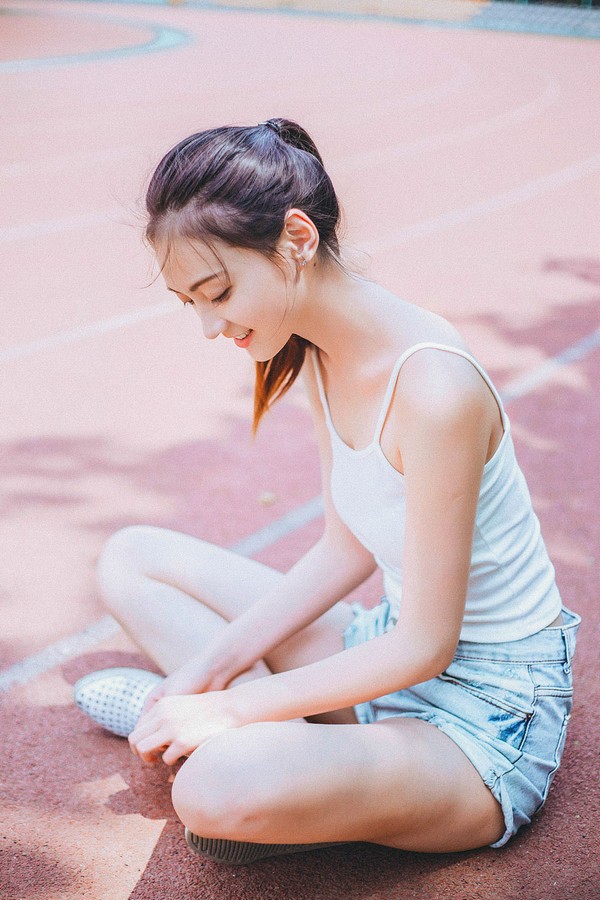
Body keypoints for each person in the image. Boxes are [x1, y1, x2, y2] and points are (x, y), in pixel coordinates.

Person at [74, 118, 580, 866]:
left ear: (297, 239)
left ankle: (244, 749)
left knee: (214, 790)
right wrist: (203, 673)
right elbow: (344, 551)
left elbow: (428, 644)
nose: (210, 326)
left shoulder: (435, 391)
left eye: (218, 292)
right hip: (384, 648)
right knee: (131, 559)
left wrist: (232, 705)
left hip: (485, 719)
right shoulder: (317, 348)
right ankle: (237, 735)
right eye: (190, 303)